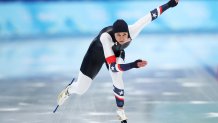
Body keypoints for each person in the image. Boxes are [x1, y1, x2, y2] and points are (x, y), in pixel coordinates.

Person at [56, 0, 179, 122]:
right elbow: (113, 66)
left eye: (124, 35)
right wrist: (133, 65)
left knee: (117, 76)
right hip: (96, 55)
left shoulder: (133, 30)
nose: (121, 38)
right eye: (118, 35)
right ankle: (69, 90)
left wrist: (170, 4)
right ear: (114, 34)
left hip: (116, 53)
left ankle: (120, 111)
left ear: (128, 33)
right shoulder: (106, 38)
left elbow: (152, 15)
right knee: (81, 89)